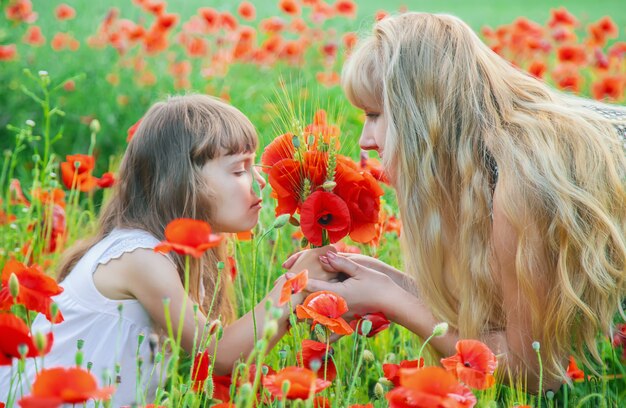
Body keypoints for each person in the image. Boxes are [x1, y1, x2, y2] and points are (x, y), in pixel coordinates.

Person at [285, 12, 626, 391]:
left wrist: (391, 300)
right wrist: (385, 281)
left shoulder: (523, 181)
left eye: (375, 114)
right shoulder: (482, 166)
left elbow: (535, 373)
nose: (365, 139)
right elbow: (499, 325)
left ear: (422, 115)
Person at [0, 94, 325, 406]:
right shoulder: (141, 257)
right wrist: (292, 285)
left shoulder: (181, 255)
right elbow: (219, 355)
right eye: (240, 170)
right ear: (183, 182)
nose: (259, 181)